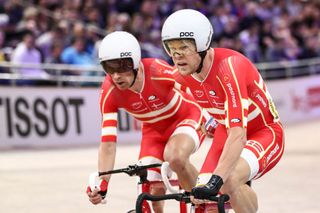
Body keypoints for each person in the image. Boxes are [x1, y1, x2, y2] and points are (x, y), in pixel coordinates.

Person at [161, 9, 285, 213]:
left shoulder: (229, 68)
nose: (177, 56)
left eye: (183, 47)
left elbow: (238, 135)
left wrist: (217, 179)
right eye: (171, 48)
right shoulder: (184, 73)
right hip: (225, 132)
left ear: (202, 45)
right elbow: (154, 82)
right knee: (204, 200)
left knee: (228, 180)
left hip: (264, 132)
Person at [86, 31, 212, 213]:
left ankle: (204, 203)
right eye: (109, 68)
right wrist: (103, 183)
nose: (116, 76)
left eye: (122, 67)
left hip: (186, 117)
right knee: (151, 183)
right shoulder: (109, 91)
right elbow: (108, 144)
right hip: (154, 133)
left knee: (175, 157)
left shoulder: (156, 70)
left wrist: (213, 116)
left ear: (135, 62)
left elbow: (195, 85)